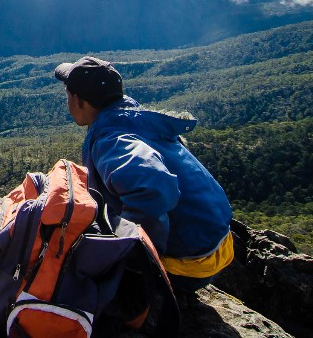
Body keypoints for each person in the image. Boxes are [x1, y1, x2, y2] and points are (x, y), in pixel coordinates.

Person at [55, 56, 234, 293]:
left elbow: (154, 189)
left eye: (68, 95)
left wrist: (135, 257)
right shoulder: (135, 120)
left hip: (188, 264)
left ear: (79, 101)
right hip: (218, 244)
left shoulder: (112, 140)